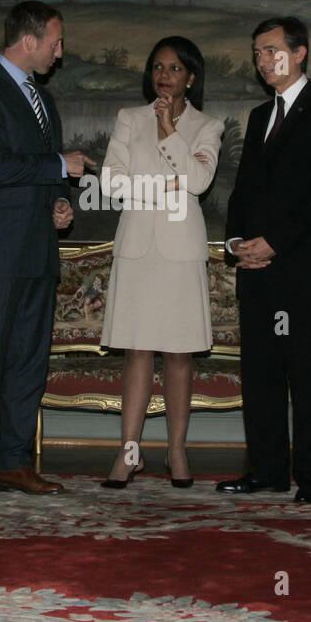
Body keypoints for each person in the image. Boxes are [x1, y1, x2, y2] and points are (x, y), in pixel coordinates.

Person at [0, 1, 92, 504]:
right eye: (55, 40)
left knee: (29, 361)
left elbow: (44, 176)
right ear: (28, 40)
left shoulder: (44, 100)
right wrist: (58, 164)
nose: (61, 50)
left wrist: (59, 201)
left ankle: (13, 463)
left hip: (38, 249)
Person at [217, 17, 311, 504]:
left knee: (306, 373)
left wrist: (275, 241)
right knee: (261, 374)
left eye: (270, 50)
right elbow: (242, 193)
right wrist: (234, 244)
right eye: (256, 52)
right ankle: (267, 471)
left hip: (301, 270)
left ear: (300, 53)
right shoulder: (257, 117)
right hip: (255, 269)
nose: (261, 60)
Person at [99, 37, 224, 489]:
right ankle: (127, 453)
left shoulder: (208, 125)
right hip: (136, 248)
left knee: (178, 355)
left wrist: (170, 129)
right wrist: (161, 188)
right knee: (136, 352)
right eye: (157, 67)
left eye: (174, 69)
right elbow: (111, 181)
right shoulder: (128, 119)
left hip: (179, 252)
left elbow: (197, 180)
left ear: (190, 77)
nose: (164, 76)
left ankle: (175, 452)